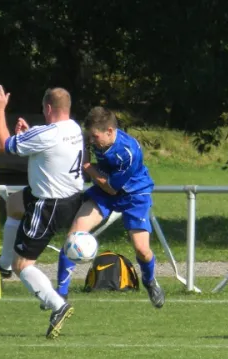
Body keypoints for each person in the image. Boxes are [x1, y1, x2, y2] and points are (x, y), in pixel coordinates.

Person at [0, 84, 85, 338]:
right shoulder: (74, 128)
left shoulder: (46, 134)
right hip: (70, 196)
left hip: (50, 204)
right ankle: (4, 263)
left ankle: (58, 305)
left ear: (48, 108)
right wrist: (30, 136)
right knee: (15, 203)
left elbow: (4, 145)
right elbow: (51, 149)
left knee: (24, 264)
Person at [56, 106, 165, 308]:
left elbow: (112, 188)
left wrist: (87, 167)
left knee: (142, 250)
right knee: (73, 237)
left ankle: (149, 280)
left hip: (133, 194)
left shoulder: (128, 152)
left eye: (95, 137)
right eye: (89, 137)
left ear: (110, 131)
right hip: (103, 190)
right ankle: (60, 296)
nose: (91, 141)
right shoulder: (92, 138)